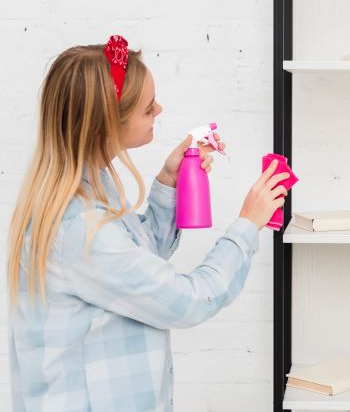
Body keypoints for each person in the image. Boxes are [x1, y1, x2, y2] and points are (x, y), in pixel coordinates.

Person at [6, 35, 288, 411]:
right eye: (146, 108)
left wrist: (169, 181)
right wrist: (247, 225)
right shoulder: (80, 230)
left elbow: (135, 263)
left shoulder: (88, 192)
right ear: (105, 127)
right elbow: (189, 300)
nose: (159, 109)